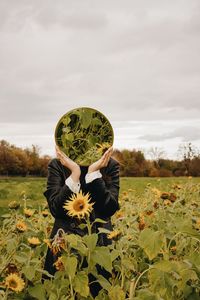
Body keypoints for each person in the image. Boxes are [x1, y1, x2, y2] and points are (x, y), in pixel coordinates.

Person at [42, 144, 120, 297]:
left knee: (99, 291)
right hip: (65, 243)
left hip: (99, 244)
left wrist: (93, 174)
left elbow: (109, 208)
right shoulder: (58, 165)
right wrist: (75, 174)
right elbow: (56, 209)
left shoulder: (110, 165)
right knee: (63, 289)